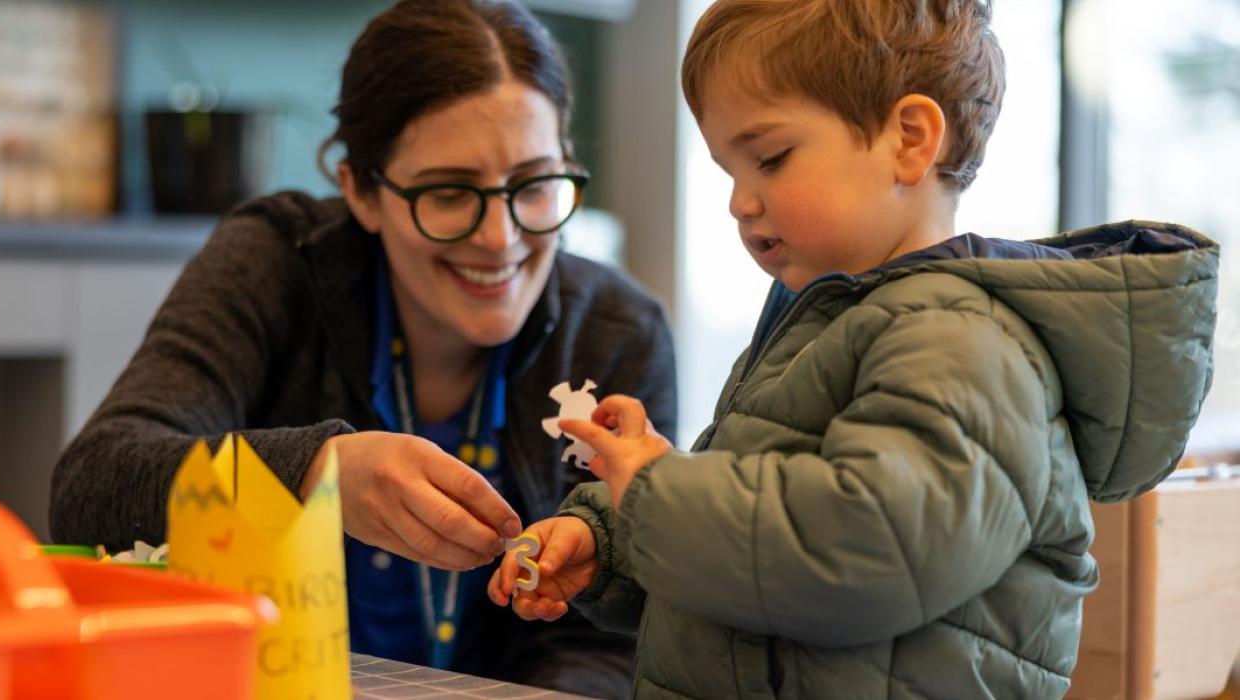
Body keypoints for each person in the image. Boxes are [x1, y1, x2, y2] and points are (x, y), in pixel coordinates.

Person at [489, 1, 1219, 697]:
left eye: (770, 158)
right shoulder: (831, 324)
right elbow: (764, 552)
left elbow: (859, 552)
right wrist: (615, 543)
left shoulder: (962, 342)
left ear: (908, 139)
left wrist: (655, 493)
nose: (740, 202)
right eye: (728, 173)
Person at [49, 1, 676, 696]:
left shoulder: (618, 331)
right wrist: (319, 470)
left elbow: (606, 640)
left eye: (533, 185)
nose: (500, 237)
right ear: (361, 193)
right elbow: (93, 483)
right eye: (448, 193)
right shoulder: (277, 263)